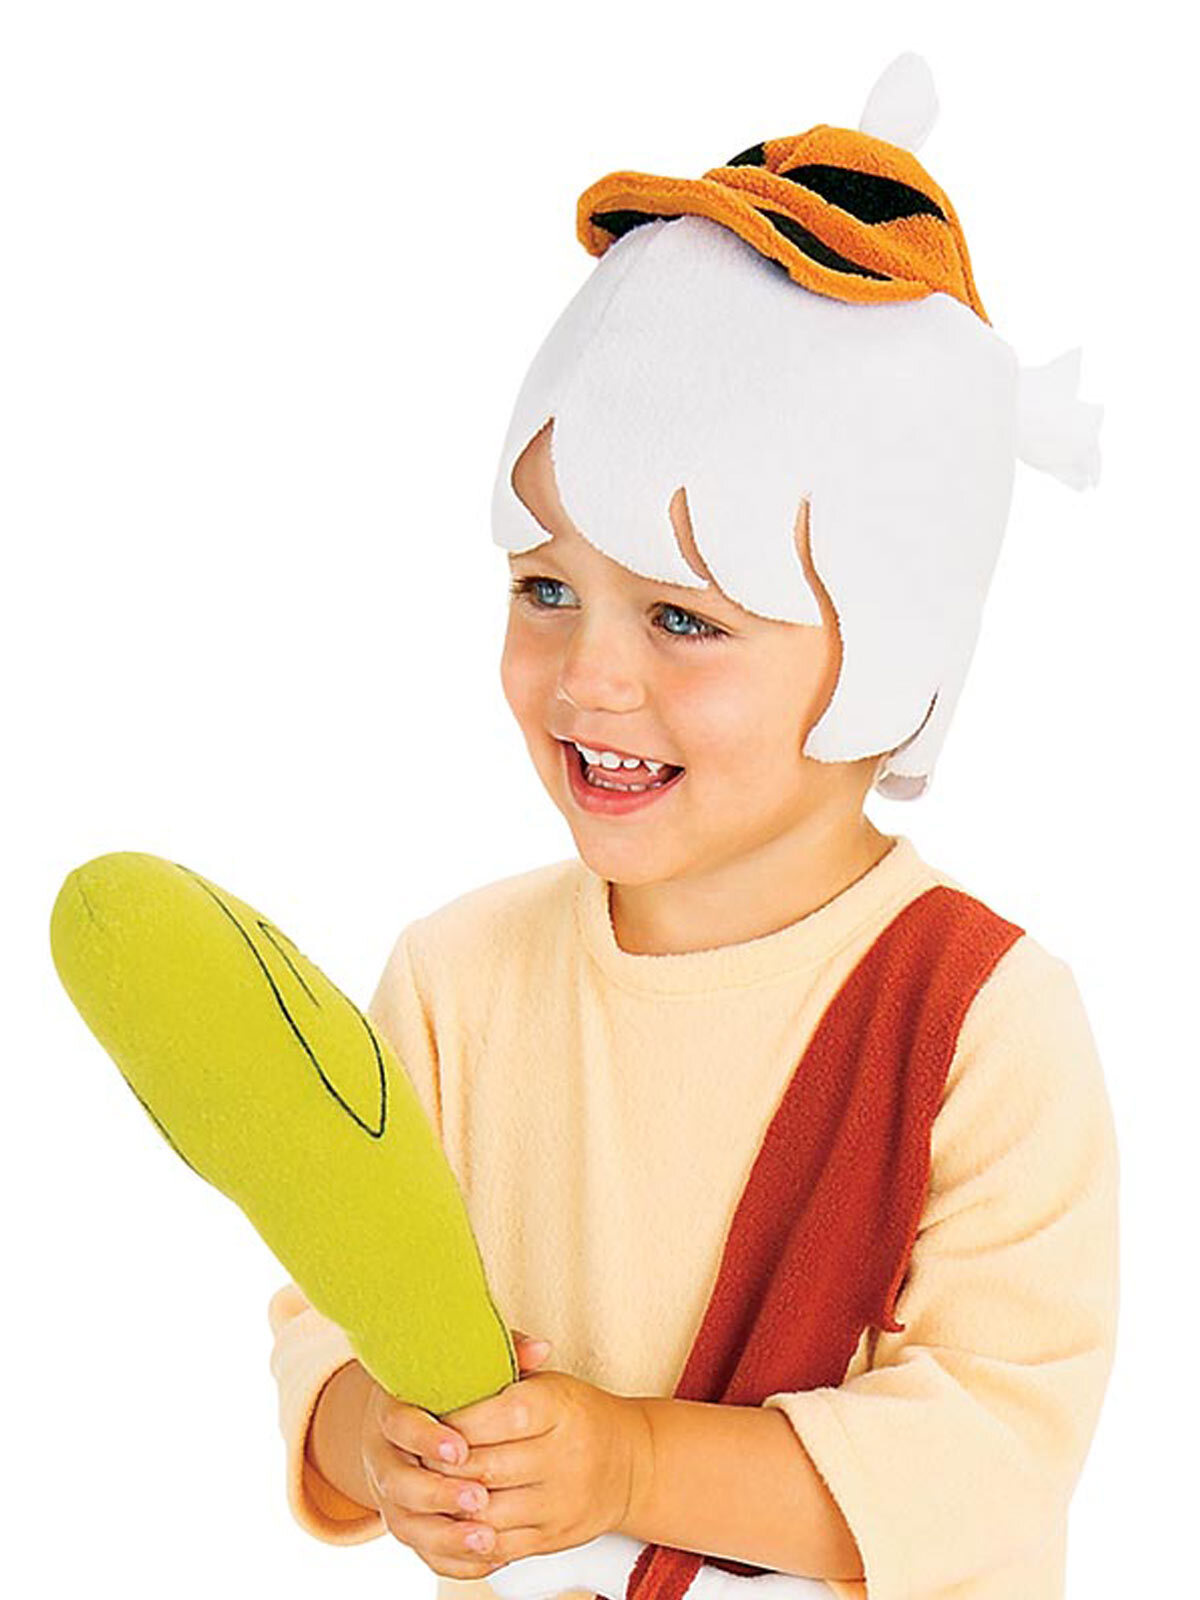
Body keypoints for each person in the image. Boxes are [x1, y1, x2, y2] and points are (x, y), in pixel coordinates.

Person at [267, 55, 1118, 1600]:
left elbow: (991, 1456)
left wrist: (631, 1464)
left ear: (887, 653)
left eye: (682, 616)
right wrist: (373, 1437)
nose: (589, 676)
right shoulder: (455, 982)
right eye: (545, 588)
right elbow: (328, 1313)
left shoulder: (983, 1023)